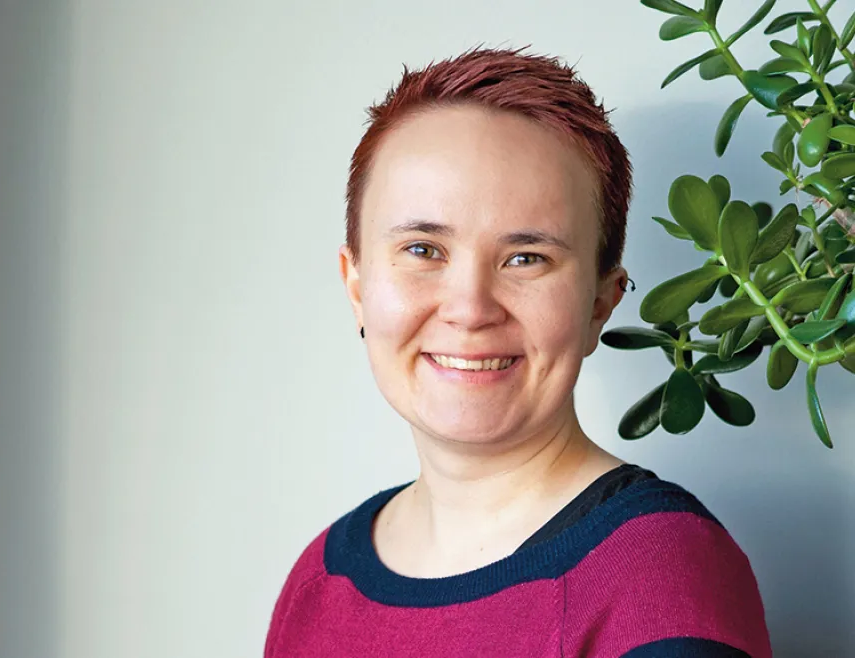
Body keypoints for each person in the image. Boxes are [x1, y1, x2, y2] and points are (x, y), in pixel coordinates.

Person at [264, 47, 772, 658]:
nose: (471, 308)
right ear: (357, 288)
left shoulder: (658, 577)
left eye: (526, 258)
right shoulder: (319, 582)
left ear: (599, 304)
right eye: (423, 250)